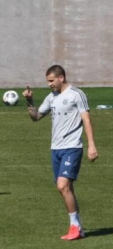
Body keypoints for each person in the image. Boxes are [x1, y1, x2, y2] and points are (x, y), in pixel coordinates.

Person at [23, 65, 98, 240]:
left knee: (62, 185)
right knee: (66, 189)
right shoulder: (52, 97)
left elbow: (86, 119)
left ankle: (75, 227)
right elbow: (35, 117)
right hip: (55, 148)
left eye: (51, 81)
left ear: (61, 78)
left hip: (72, 147)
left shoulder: (76, 95)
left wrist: (92, 145)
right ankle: (77, 227)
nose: (49, 84)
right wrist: (30, 101)